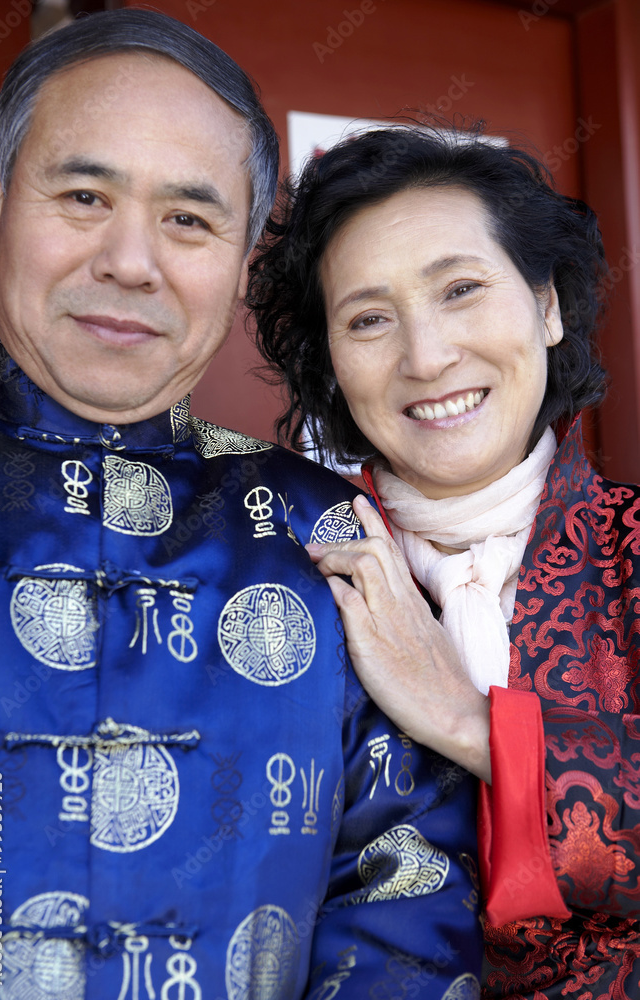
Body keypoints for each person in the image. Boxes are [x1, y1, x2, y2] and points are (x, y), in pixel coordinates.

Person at [0, 11, 484, 999]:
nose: (131, 261)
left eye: (189, 219)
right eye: (83, 194)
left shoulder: (327, 538)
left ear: (245, 263)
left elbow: (404, 905)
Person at [249, 122, 640, 998]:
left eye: (460, 289)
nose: (425, 357)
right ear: (329, 367)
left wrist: (469, 722)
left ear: (546, 306)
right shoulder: (278, 568)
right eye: (368, 319)